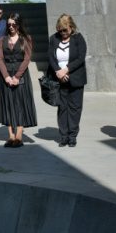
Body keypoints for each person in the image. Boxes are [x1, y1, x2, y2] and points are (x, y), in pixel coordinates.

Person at [0, 13, 37, 147]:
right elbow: (0, 59)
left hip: (21, 75)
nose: (11, 27)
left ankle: (19, 136)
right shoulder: (2, 40)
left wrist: (16, 76)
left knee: (20, 104)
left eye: (13, 24)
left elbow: (27, 59)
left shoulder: (26, 39)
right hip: (6, 76)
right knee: (8, 104)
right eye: (9, 24)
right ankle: (11, 136)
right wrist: (6, 76)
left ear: (18, 25)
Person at [47, 14, 87, 148]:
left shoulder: (78, 38)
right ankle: (63, 136)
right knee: (62, 108)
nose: (63, 33)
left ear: (71, 27)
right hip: (59, 79)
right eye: (60, 30)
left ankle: (72, 136)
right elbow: (51, 57)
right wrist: (58, 71)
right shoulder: (53, 39)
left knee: (75, 108)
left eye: (65, 30)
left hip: (75, 78)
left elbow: (80, 58)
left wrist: (66, 70)